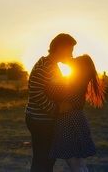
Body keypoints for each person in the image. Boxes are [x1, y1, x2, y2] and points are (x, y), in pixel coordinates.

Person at [25, 33, 82, 172]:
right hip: (40, 120)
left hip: (45, 120)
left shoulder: (53, 66)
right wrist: (57, 109)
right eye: (70, 50)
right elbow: (36, 93)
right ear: (61, 48)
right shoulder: (43, 66)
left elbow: (59, 88)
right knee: (43, 159)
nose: (72, 55)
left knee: (47, 159)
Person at [48, 54, 105, 172]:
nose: (73, 59)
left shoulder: (74, 83)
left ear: (79, 67)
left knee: (75, 165)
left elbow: (60, 97)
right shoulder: (80, 80)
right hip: (77, 121)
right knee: (80, 164)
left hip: (68, 124)